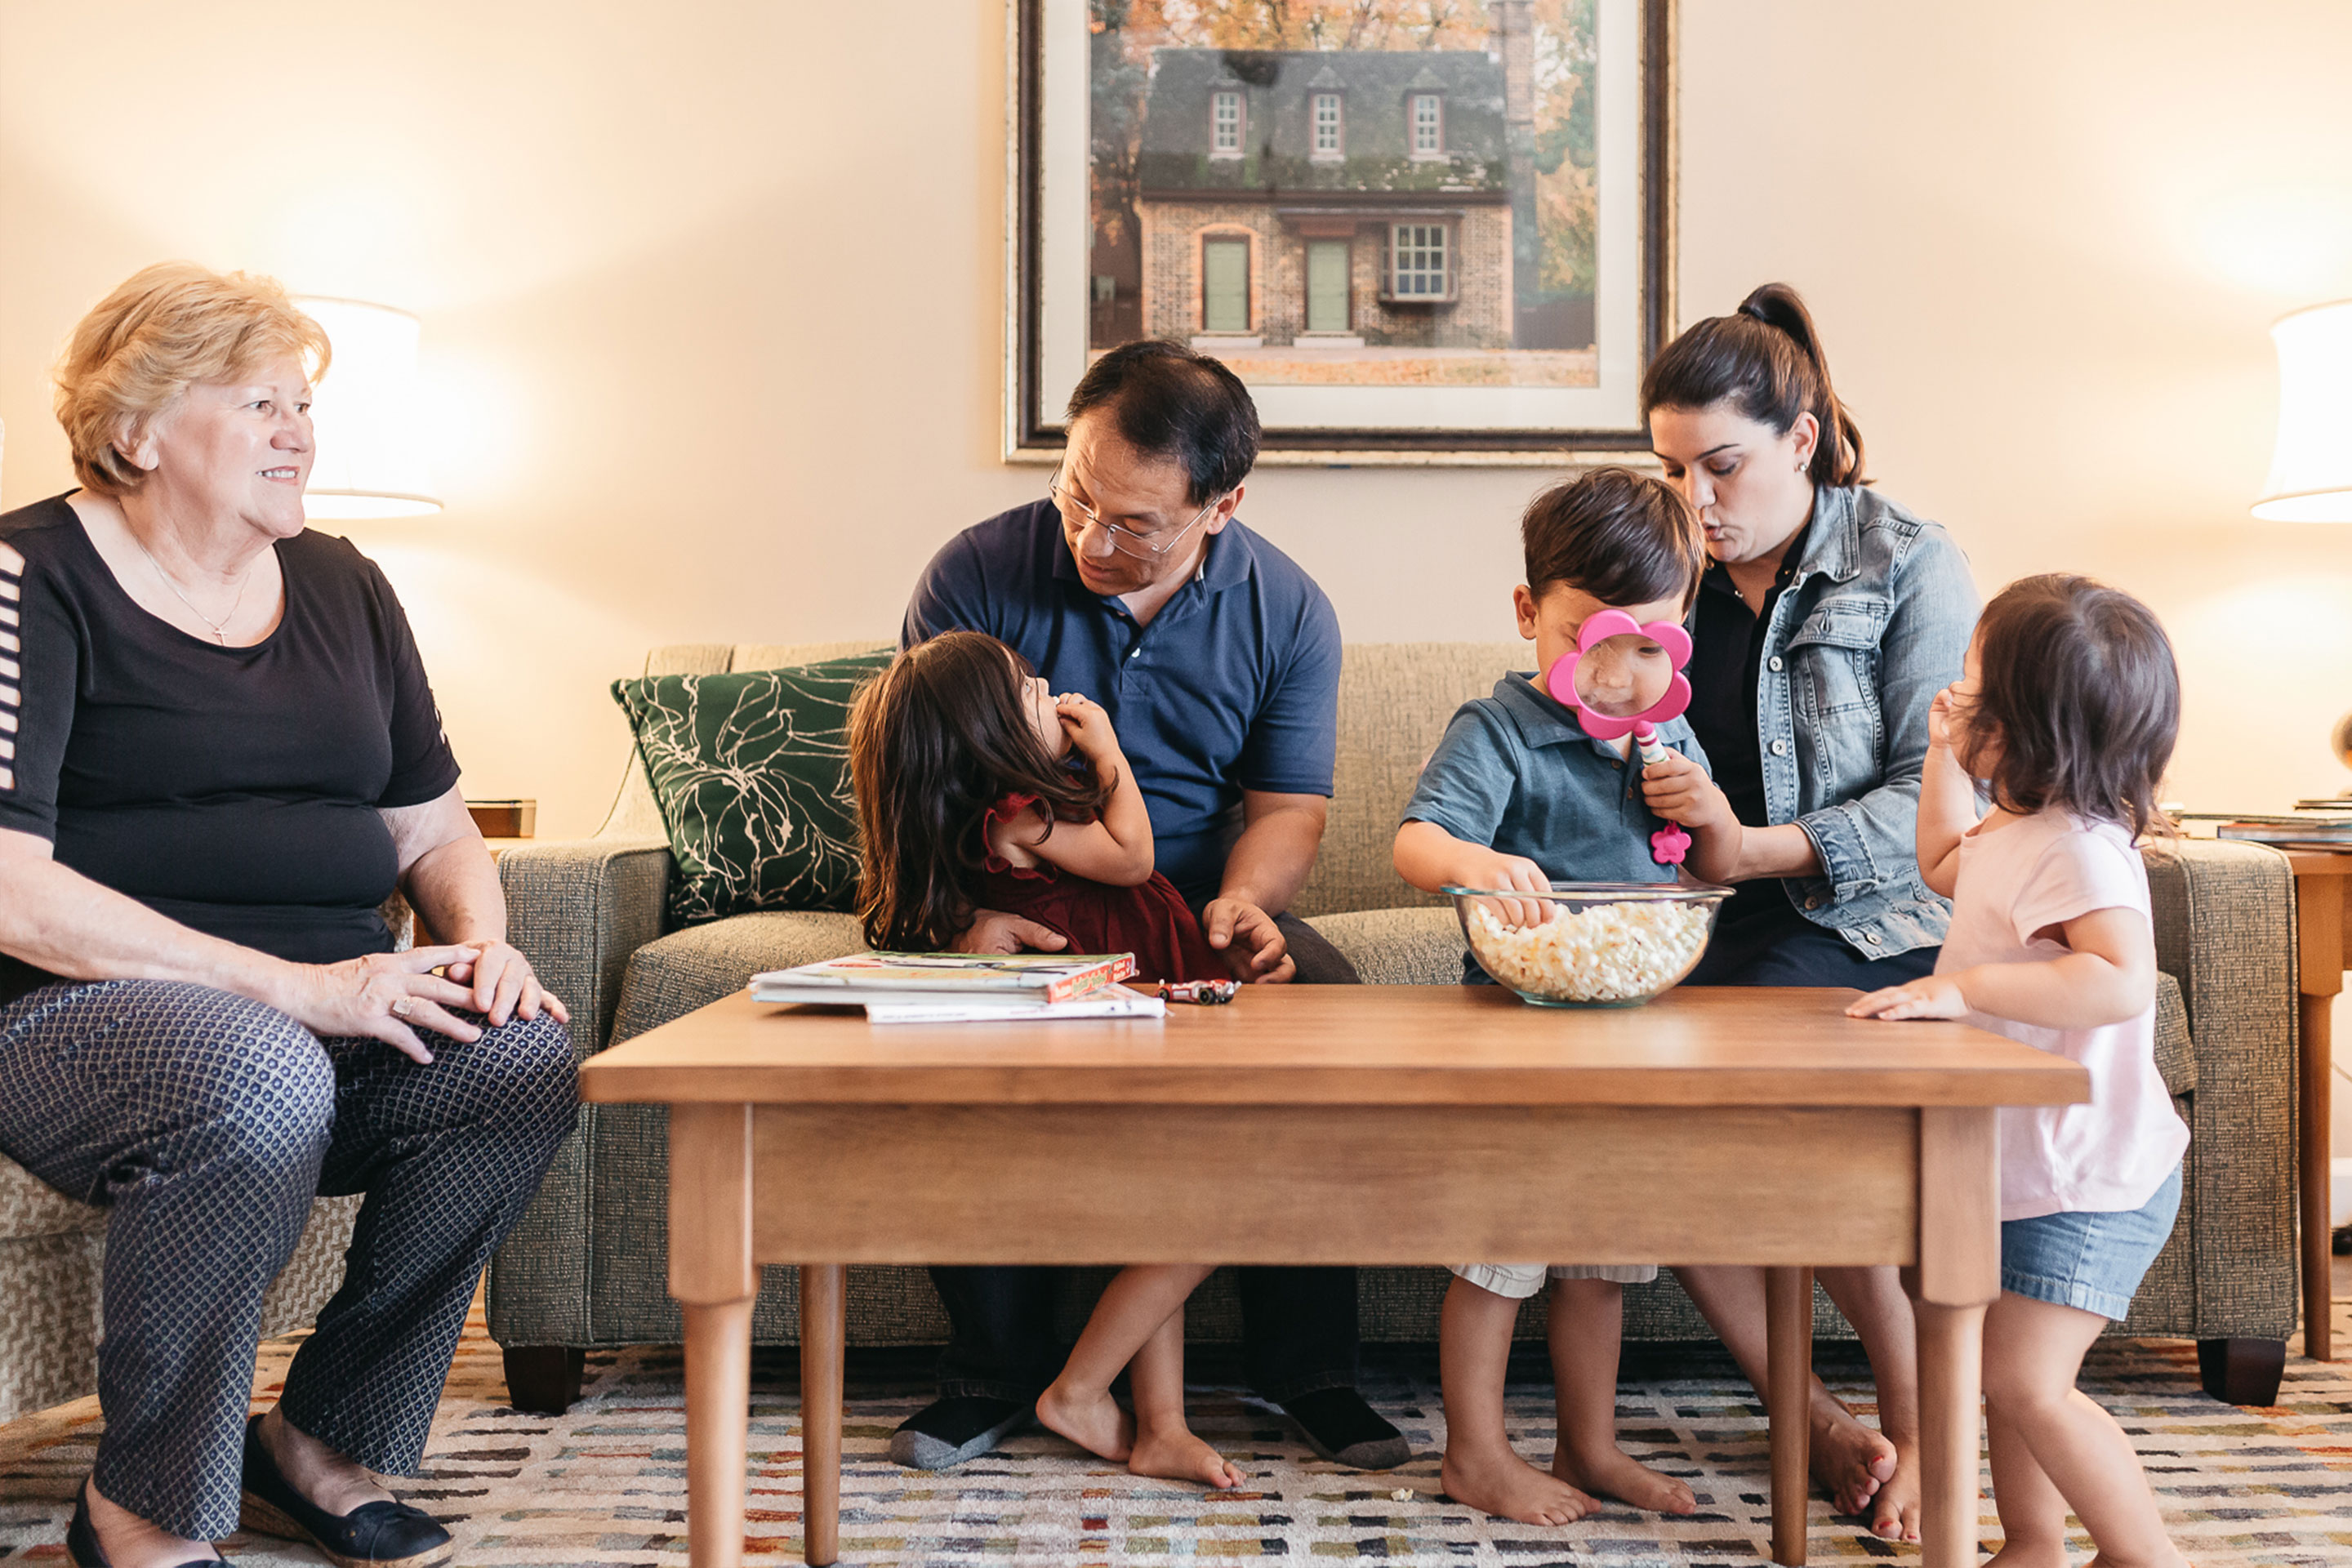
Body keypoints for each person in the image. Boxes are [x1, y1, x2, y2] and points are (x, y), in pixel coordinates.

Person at [0, 262, 577, 1568]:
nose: (298, 432)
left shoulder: (342, 583)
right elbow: (9, 885)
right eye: (259, 402)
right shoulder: (27, 578)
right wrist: (301, 992)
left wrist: (478, 946)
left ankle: (318, 1444)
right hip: (70, 1018)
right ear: (135, 430)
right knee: (256, 1072)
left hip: (322, 1010)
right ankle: (141, 1511)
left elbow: (431, 825)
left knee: (521, 1058)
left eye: (303, 404)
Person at [892, 341, 1405, 1472]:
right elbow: (915, 777)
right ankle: (991, 1375)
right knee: (955, 1027)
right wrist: (962, 926)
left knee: (1324, 1006)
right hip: (1008, 890)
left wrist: (1242, 906)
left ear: (1220, 505)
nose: (1091, 541)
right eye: (1077, 497)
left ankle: (1309, 1368)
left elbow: (1288, 807)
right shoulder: (974, 573)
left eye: (1135, 523)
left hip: (1180, 901)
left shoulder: (1288, 609)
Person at [1640, 283, 1980, 1540]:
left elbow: (1939, 798)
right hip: (1701, 922)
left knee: (1800, 1105)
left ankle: (1929, 1432)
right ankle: (1824, 1426)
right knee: (1618, 1109)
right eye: (1672, 471)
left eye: (1721, 467)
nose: (1698, 503)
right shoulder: (1663, 564)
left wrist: (1759, 848)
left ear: (1802, 433)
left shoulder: (1905, 559)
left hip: (1874, 917)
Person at [1392, 467, 1731, 1525]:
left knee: (1602, 1257)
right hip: (1516, 1035)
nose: (1625, 676)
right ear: (1532, 615)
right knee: (1503, 1252)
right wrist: (1479, 865)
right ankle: (1476, 1454)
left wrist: (1703, 802)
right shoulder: (1496, 731)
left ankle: (1590, 1445)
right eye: (1595, 639)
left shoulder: (1667, 740)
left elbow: (1707, 862)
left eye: (1653, 646)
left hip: (1629, 1037)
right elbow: (1415, 841)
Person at [847, 630, 1245, 1489]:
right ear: (989, 730)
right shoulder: (1023, 809)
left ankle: (1162, 1423)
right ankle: (1080, 1388)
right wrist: (1111, 758)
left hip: (1129, 1008)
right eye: (1026, 688)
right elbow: (1134, 856)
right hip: (1122, 1015)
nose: (1049, 691)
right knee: (1212, 1209)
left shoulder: (985, 817)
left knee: (1168, 1211)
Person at [1849, 575, 2189, 1568]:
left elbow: (2121, 980)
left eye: (1973, 685)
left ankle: (2145, 1555)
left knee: (2030, 1383)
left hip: (2091, 1175)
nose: (1957, 696)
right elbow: (1943, 863)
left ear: (2030, 726)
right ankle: (2036, 1540)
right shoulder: (2019, 827)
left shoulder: (2081, 851)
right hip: (2032, 1164)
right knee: (2005, 1375)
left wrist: (1968, 992)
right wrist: (1938, 753)